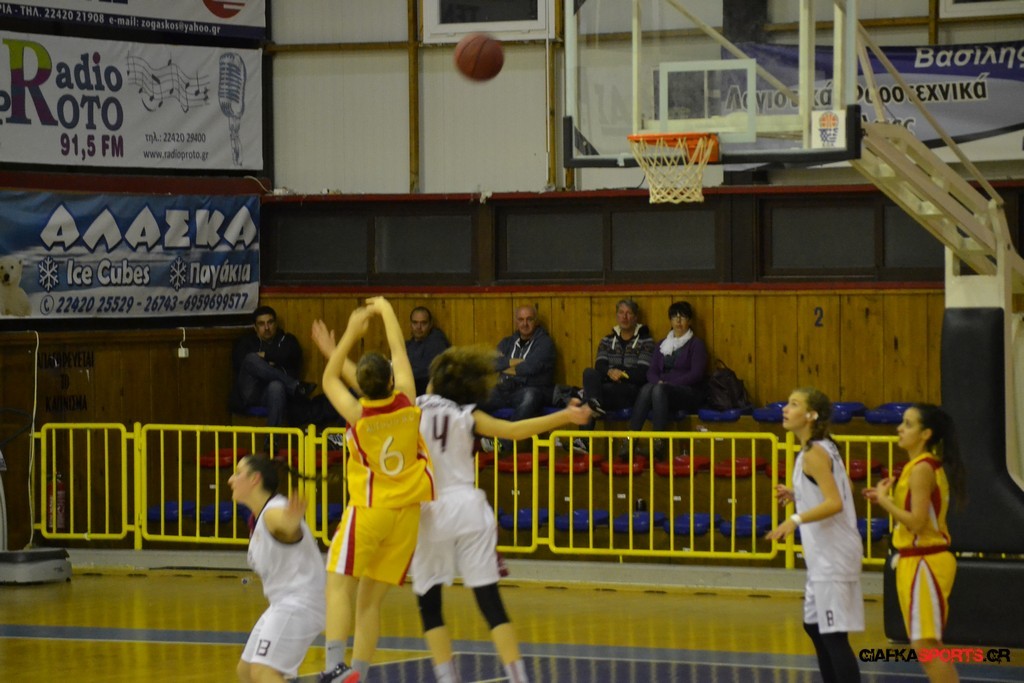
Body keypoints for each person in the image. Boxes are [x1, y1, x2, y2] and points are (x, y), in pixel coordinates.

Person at [414, 346, 592, 683]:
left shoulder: (412, 411)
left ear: (435, 383)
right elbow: (513, 431)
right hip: (468, 506)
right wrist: (564, 417)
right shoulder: (466, 414)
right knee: (490, 603)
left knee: (429, 605)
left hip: (431, 510)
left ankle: (447, 679)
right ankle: (518, 677)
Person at [318, 297, 435, 683]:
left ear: (362, 389)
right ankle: (359, 675)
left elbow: (329, 380)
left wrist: (349, 335)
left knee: (338, 583)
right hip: (408, 515)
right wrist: (385, 310)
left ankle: (334, 667)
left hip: (371, 509)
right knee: (369, 602)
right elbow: (400, 351)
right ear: (389, 381)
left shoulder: (359, 416)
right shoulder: (408, 401)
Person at [765, 387, 863, 683]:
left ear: (810, 415)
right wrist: (800, 494)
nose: (785, 409)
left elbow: (835, 502)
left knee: (833, 635)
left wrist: (794, 519)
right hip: (825, 554)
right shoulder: (823, 446)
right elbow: (846, 488)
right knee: (814, 627)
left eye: (794, 404)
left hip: (834, 554)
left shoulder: (814, 454)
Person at [863, 404, 965, 683]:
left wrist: (885, 502)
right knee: (925, 645)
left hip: (925, 561)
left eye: (908, 424)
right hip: (915, 560)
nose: (900, 428)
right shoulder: (916, 467)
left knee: (926, 646)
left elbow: (918, 523)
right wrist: (886, 499)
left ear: (926, 433)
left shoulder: (922, 469)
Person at [229, 454, 325, 683]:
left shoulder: (274, 511)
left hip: (300, 603)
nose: (230, 479)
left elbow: (285, 527)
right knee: (246, 671)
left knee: (264, 672)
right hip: (283, 603)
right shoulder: (261, 515)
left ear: (255, 479)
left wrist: (290, 523)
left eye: (238, 473)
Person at [621, 301, 707, 460]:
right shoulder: (662, 344)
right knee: (648, 387)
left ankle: (658, 444)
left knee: (658, 389)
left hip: (687, 391)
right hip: (661, 391)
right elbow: (651, 371)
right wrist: (659, 382)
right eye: (675, 317)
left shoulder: (696, 344)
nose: (678, 321)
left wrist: (669, 384)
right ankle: (629, 441)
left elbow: (696, 374)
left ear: (690, 321)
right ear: (670, 321)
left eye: (683, 317)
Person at [479, 305, 556, 454]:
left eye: (529, 319)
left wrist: (505, 364)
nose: (524, 324)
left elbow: (531, 368)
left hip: (529, 390)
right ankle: (472, 443)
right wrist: (515, 363)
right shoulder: (507, 342)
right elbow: (492, 364)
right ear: (516, 321)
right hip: (504, 388)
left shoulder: (545, 343)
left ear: (536, 322)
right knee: (475, 396)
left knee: (531, 396)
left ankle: (503, 443)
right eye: (521, 319)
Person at [230, 306, 316, 429]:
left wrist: (264, 356)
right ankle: (295, 386)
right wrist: (267, 362)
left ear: (275, 324)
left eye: (270, 322)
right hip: (251, 390)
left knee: (276, 386)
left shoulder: (287, 340)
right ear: (255, 327)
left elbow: (291, 354)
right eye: (261, 324)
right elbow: (240, 362)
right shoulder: (246, 342)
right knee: (250, 359)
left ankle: (272, 438)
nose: (266, 328)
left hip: (272, 393)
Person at [581, 298, 654, 430]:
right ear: (616, 316)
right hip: (607, 387)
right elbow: (600, 366)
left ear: (635, 317)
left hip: (629, 390)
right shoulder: (607, 340)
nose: (624, 317)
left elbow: (642, 373)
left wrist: (621, 373)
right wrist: (610, 372)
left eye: (628, 313)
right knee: (589, 373)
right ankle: (595, 405)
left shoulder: (646, 341)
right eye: (621, 313)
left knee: (588, 397)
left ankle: (583, 436)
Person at [407, 306, 451, 396]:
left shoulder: (436, 341)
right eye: (415, 323)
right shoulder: (407, 345)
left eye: (423, 323)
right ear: (410, 324)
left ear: (430, 324)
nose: (419, 327)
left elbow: (429, 372)